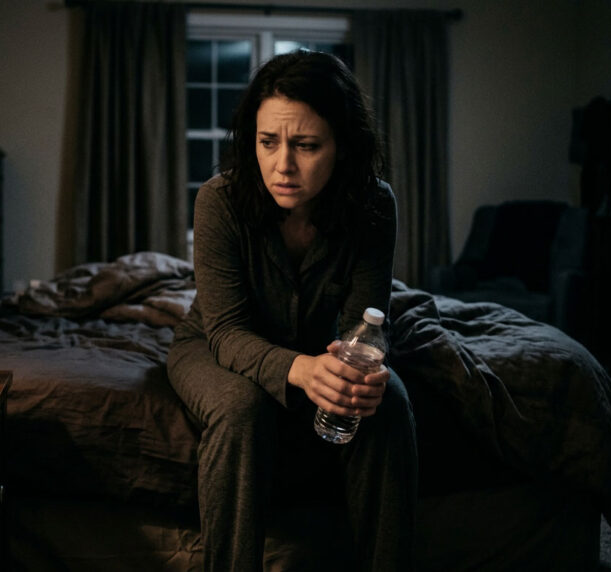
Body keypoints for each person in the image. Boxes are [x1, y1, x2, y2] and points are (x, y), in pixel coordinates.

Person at [166, 50, 418, 571]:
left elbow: (365, 319)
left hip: (319, 344)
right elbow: (228, 330)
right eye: (267, 142)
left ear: (342, 147)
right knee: (241, 410)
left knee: (386, 399)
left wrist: (358, 368)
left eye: (306, 146)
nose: (282, 165)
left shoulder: (373, 204)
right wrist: (300, 369)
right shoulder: (220, 200)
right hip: (213, 345)